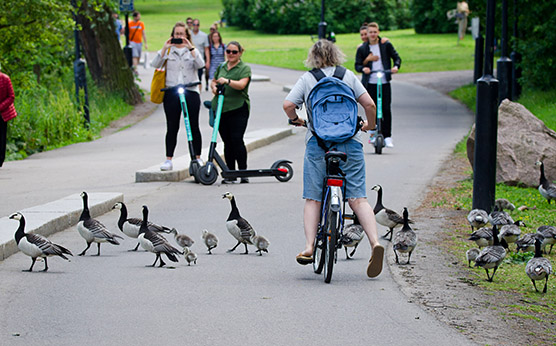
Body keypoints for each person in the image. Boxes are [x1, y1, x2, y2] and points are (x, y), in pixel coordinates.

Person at [283, 40, 384, 278]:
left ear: (312, 57)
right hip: (350, 142)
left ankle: (309, 247)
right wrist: (369, 125)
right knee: (358, 198)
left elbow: (288, 104)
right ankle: (375, 243)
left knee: (313, 198)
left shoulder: (308, 79)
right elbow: (368, 103)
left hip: (318, 143)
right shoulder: (347, 75)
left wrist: (297, 119)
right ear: (336, 54)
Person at [151, 21, 205, 171]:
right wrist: (164, 48)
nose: (179, 37)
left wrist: (191, 48)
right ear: (172, 35)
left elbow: (201, 65)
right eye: (176, 34)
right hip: (172, 91)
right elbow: (155, 64)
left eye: (182, 34)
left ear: (187, 35)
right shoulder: (168, 51)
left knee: (194, 125)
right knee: (172, 126)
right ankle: (168, 159)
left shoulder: (191, 50)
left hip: (191, 90)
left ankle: (197, 158)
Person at [210, 41, 252, 184]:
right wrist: (214, 87)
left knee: (237, 139)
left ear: (240, 53)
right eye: (228, 51)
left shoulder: (244, 68)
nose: (231, 54)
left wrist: (227, 81)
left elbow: (241, 85)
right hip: (221, 109)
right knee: (227, 142)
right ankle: (230, 172)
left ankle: (243, 171)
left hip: (238, 108)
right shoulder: (222, 66)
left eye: (234, 52)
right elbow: (214, 81)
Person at [355, 22, 401, 148]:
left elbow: (396, 58)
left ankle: (387, 136)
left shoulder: (385, 44)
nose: (373, 34)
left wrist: (395, 67)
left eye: (375, 32)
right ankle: (372, 131)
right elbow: (357, 65)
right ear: (367, 34)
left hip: (384, 80)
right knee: (372, 107)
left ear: (378, 32)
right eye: (370, 32)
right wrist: (364, 69)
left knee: (385, 108)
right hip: (370, 81)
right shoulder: (363, 48)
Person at [0, 65, 17, 167]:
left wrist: (0, 107)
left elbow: (11, 96)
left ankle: (1, 159)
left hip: (2, 114)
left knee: (1, 136)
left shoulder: (5, 79)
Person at [191, 18, 210, 91]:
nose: (196, 26)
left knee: (198, 78)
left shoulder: (204, 36)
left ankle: (198, 93)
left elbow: (206, 49)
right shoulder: (189, 34)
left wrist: (207, 61)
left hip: (199, 59)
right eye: (194, 24)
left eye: (197, 24)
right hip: (189, 59)